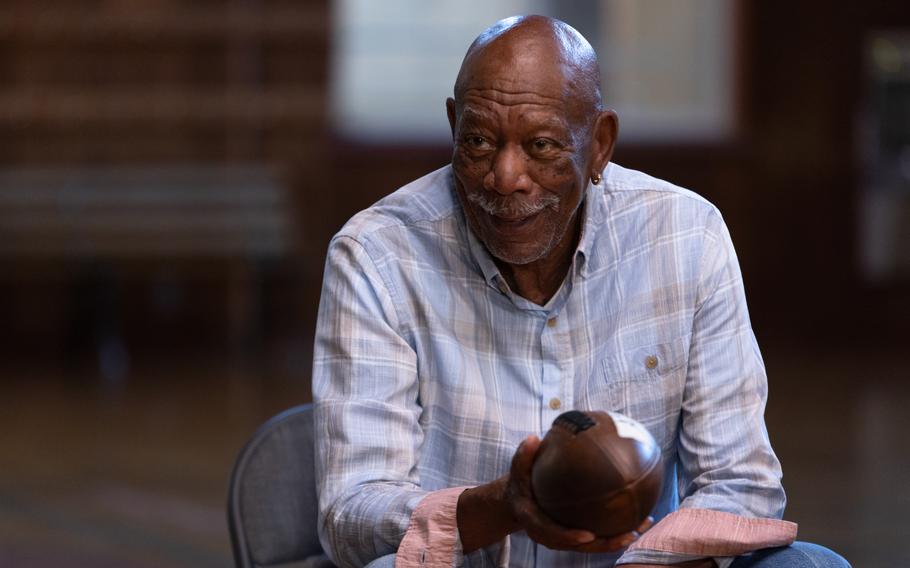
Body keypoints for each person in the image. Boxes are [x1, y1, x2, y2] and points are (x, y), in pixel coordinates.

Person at [312, 15, 850, 568]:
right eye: (477, 140)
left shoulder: (685, 235)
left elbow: (741, 483)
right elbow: (350, 511)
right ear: (453, 126)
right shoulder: (376, 253)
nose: (506, 176)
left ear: (599, 145)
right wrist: (504, 506)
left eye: (542, 146)